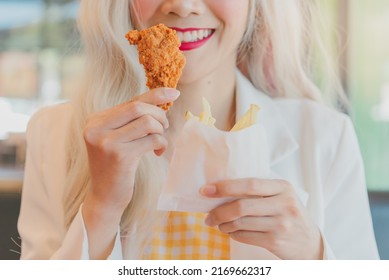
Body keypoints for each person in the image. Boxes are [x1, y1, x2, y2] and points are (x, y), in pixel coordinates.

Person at [18, 0, 379, 260]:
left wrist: (311, 254)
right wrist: (101, 208)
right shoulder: (55, 132)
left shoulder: (326, 136)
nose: (184, 6)